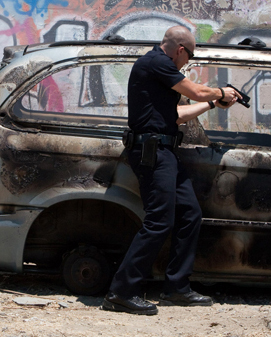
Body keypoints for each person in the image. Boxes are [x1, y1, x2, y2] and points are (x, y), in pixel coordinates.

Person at [102, 25, 241, 315]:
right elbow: (195, 90)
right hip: (152, 152)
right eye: (190, 56)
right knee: (159, 222)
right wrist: (220, 92)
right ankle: (121, 292)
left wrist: (212, 103)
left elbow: (176, 115)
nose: (188, 62)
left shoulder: (159, 71)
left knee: (190, 214)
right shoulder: (157, 62)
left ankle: (177, 288)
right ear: (180, 50)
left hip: (164, 151)